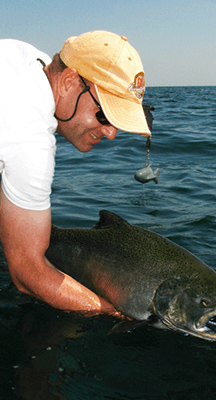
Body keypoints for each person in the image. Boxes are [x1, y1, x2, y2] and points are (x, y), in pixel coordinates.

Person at [0, 31, 151, 317]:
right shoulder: (29, 135)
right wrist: (112, 311)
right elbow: (26, 273)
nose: (111, 134)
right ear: (69, 81)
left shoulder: (26, 58)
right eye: (105, 116)